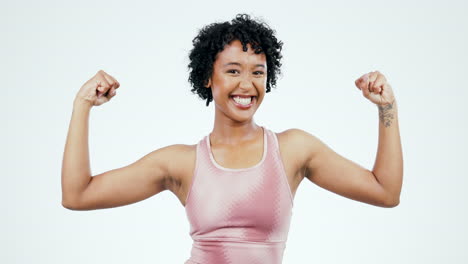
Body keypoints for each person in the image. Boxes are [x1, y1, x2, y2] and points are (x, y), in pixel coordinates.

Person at [61, 14, 403, 264]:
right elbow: (78, 195)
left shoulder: (294, 150)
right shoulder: (182, 162)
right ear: (208, 77)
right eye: (233, 70)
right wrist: (82, 106)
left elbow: (385, 192)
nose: (247, 84)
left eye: (258, 72)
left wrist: (387, 107)